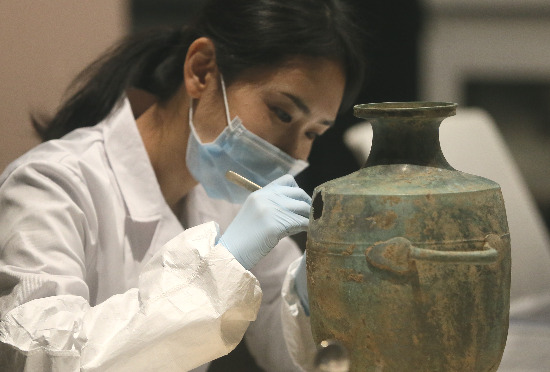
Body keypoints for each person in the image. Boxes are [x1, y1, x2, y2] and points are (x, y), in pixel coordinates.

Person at [0, 0, 365, 370]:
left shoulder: (227, 199)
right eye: (282, 112)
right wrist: (220, 266)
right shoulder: (51, 185)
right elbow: (38, 357)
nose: (294, 151)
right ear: (201, 70)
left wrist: (310, 290)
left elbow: (288, 343)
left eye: (313, 132)